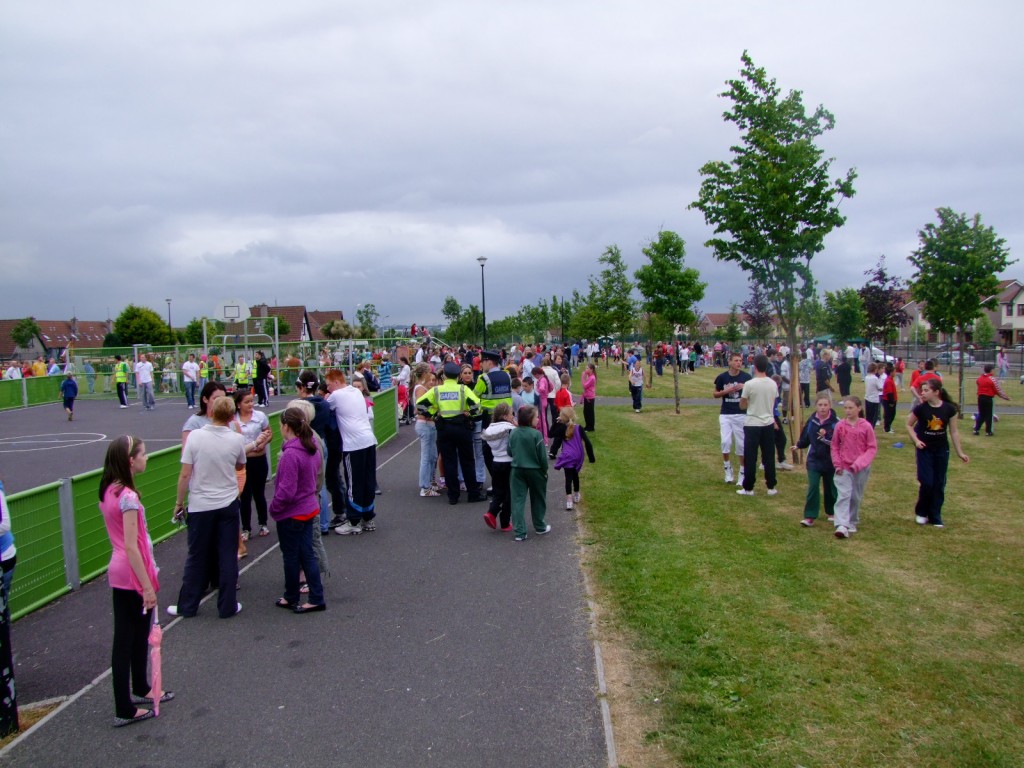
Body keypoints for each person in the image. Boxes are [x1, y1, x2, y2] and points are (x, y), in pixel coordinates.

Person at [98, 435, 171, 728]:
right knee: (126, 640)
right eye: (143, 454)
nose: (147, 458)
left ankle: (141, 686)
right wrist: (147, 586)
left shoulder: (109, 490)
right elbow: (131, 545)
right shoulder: (127, 496)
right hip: (130, 572)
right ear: (131, 461)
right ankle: (124, 707)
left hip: (120, 570)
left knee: (134, 634)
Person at [169, 395, 248, 618]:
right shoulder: (235, 439)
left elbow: (185, 474)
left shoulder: (195, 437)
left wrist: (178, 502)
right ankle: (228, 605)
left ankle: (188, 605)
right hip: (227, 502)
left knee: (197, 555)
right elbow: (241, 464)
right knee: (226, 554)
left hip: (201, 504)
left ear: (211, 412)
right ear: (232, 416)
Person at [271, 408, 326, 613]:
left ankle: (291, 595)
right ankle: (315, 596)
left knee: (291, 557)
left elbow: (286, 490)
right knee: (307, 554)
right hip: (309, 507)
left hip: (292, 512)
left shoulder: (290, 455)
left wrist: (275, 507)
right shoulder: (311, 447)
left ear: (286, 427)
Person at [416, 361, 486, 506]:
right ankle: (473, 493)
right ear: (458, 376)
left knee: (449, 461)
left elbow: (420, 405)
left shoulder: (437, 390)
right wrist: (469, 414)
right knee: (467, 460)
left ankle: (453, 496)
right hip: (462, 427)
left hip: (444, 428)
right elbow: (477, 407)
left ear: (445, 375)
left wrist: (434, 414)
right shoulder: (463, 389)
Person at [908, 380, 968, 528]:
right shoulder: (920, 409)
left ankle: (935, 515)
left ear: (936, 392)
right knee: (927, 482)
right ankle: (921, 512)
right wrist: (916, 440)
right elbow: (909, 425)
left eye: (926, 390)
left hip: (941, 450)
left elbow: (953, 431)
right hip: (925, 450)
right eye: (922, 390)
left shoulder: (949, 409)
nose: (922, 393)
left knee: (939, 483)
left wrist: (960, 452)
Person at [327, 369, 379, 534]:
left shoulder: (336, 396)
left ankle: (354, 521)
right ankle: (368, 517)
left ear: (336, 382)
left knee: (353, 483)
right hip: (369, 440)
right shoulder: (356, 392)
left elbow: (325, 408)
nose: (328, 389)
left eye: (328, 385)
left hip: (353, 444)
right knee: (368, 480)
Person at [830, 396, 877, 539]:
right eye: (845, 408)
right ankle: (841, 524)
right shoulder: (840, 425)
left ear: (859, 408)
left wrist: (860, 463)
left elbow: (871, 448)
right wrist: (837, 463)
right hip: (843, 466)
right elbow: (834, 445)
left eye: (850, 408)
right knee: (844, 495)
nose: (848, 411)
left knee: (855, 496)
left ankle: (851, 520)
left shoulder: (866, 426)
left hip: (860, 468)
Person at [232, 390, 272, 540]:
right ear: (238, 404)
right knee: (245, 496)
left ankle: (263, 523)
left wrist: (264, 443)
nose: (250, 404)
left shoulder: (260, 416)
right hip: (243, 463)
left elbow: (269, 433)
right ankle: (246, 528)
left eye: (251, 401)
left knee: (259, 493)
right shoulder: (233, 420)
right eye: (247, 402)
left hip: (259, 461)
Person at [737, 355, 779, 496]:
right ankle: (771, 486)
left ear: (755, 366)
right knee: (768, 455)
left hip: (753, 423)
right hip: (767, 422)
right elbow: (772, 402)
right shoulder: (773, 384)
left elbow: (742, 405)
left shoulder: (750, 384)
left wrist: (749, 402)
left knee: (750, 456)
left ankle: (748, 487)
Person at [507, 405, 550, 542]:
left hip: (517, 470)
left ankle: (520, 532)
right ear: (530, 419)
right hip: (535, 470)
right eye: (536, 417)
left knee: (517, 500)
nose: (538, 419)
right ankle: (539, 526)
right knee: (538, 498)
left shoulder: (513, 433)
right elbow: (542, 457)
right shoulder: (536, 435)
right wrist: (544, 471)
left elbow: (509, 451)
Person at [794, 397, 839, 527]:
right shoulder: (812, 421)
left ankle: (832, 512)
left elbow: (839, 441)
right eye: (820, 405)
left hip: (830, 460)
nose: (823, 407)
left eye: (825, 405)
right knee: (813, 487)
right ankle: (809, 516)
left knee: (831, 487)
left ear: (830, 405)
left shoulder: (836, 422)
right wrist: (799, 445)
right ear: (816, 406)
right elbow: (806, 436)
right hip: (814, 459)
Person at [714, 352, 751, 486]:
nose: (739, 363)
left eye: (740, 360)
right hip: (726, 414)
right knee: (725, 442)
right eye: (736, 360)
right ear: (729, 362)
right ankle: (727, 468)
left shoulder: (746, 377)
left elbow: (752, 395)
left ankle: (742, 472)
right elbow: (715, 393)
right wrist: (727, 391)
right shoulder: (722, 377)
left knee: (741, 444)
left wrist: (745, 388)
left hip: (741, 414)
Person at [548, 406, 595, 510]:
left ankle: (569, 500)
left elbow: (550, 434)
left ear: (562, 417)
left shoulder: (561, 429)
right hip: (578, 455)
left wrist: (556, 423)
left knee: (568, 477)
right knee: (575, 475)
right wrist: (591, 457)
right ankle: (577, 494)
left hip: (568, 456)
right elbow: (587, 442)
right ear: (573, 416)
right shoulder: (579, 428)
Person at [481, 402, 516, 531]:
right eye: (511, 413)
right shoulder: (510, 428)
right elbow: (514, 445)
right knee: (509, 493)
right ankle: (505, 522)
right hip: (509, 462)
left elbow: (486, 449)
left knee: (498, 490)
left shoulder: (489, 429)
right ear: (506, 415)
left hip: (496, 461)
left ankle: (492, 512)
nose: (513, 416)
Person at [412, 365, 440, 497]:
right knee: (426, 456)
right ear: (424, 373)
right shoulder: (421, 389)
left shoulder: (422, 388)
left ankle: (429, 482)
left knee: (432, 455)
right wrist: (433, 414)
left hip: (428, 424)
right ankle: (425, 486)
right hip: (425, 424)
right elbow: (420, 408)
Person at [973, 364, 1010, 436]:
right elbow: (998, 390)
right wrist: (1005, 397)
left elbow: (978, 383)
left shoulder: (980, 378)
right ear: (991, 370)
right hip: (988, 398)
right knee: (989, 415)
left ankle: (976, 430)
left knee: (981, 414)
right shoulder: (992, 379)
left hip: (980, 397)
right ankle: (988, 431)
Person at [863, 362, 881, 428]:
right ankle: (871, 430)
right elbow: (880, 388)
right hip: (874, 399)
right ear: (875, 369)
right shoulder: (875, 378)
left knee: (868, 416)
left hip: (867, 398)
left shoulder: (866, 377)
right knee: (874, 417)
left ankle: (866, 428)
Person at [580, 363, 597, 432]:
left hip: (590, 397)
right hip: (587, 396)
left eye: (587, 368)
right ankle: (587, 426)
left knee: (589, 412)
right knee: (586, 412)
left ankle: (590, 427)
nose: (585, 369)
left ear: (591, 370)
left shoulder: (592, 378)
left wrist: (582, 377)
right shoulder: (589, 376)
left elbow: (584, 386)